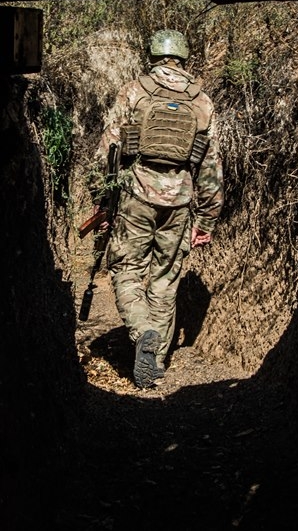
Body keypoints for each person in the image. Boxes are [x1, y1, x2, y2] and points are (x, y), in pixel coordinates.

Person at [88, 28, 224, 389]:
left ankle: (143, 331)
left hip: (136, 193)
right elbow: (210, 167)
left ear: (153, 54)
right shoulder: (202, 101)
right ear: (183, 57)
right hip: (180, 198)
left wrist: (102, 199)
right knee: (165, 278)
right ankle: (156, 363)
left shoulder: (136, 90)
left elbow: (109, 149)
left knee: (126, 269)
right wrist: (207, 218)